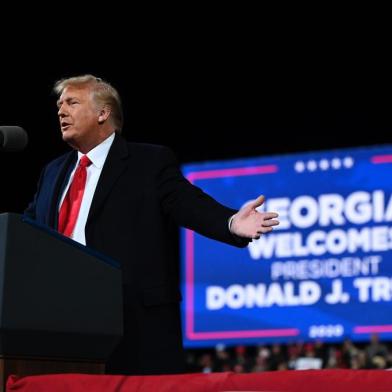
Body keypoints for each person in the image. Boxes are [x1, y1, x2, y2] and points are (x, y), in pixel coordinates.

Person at [24, 74, 279, 375]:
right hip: (60, 319)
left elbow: (187, 203)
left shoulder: (148, 162)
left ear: (103, 113)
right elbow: (28, 229)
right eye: (59, 105)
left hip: (132, 323)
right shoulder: (53, 171)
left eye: (72, 102)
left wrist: (230, 221)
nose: (61, 111)